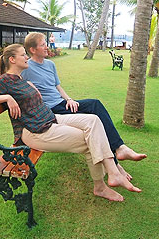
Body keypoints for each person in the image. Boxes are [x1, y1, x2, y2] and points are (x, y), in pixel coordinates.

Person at [0, 44, 141, 202]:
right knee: (89, 139)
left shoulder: (21, 79)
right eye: (23, 55)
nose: (27, 57)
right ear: (12, 59)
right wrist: (7, 98)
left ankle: (113, 172)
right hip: (35, 131)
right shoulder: (5, 80)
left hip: (50, 119)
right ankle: (101, 186)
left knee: (94, 120)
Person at [21, 32, 146, 180]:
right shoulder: (26, 68)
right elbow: (10, 80)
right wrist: (24, 86)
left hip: (62, 104)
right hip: (51, 111)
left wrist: (69, 99)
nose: (47, 47)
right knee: (95, 124)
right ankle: (116, 165)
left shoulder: (50, 64)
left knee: (95, 104)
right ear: (33, 49)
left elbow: (58, 87)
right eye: (43, 44)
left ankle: (120, 148)